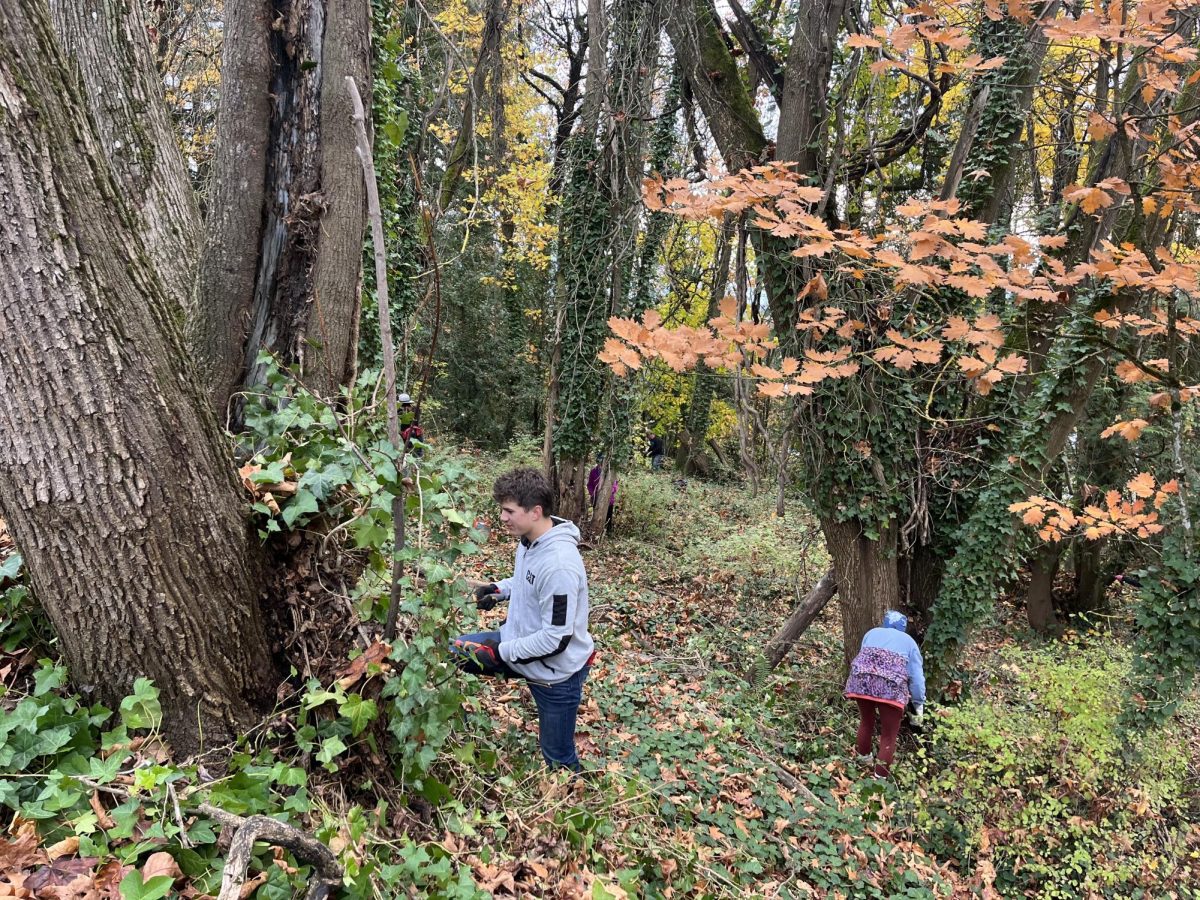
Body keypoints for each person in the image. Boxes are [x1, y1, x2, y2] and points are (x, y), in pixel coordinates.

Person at [452, 468, 595, 771]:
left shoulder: (559, 565)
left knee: (558, 757)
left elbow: (556, 638)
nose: (502, 518)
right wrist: (499, 589)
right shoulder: (530, 539)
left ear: (535, 511)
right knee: (450, 652)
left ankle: (575, 801)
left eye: (509, 511)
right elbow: (527, 581)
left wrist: (499, 651)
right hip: (518, 644)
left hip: (555, 675)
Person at [843, 610, 926, 778]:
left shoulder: (871, 634)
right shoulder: (909, 642)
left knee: (866, 722)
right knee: (888, 735)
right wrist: (918, 703)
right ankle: (879, 779)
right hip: (891, 689)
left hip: (861, 683)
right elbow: (916, 677)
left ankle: (863, 760)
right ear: (903, 627)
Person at [586, 460, 618, 534]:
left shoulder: (610, 471)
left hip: (608, 499)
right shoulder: (593, 471)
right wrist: (593, 493)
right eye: (600, 462)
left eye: (603, 461)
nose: (601, 463)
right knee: (597, 516)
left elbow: (615, 485)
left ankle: (608, 532)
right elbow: (589, 485)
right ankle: (596, 532)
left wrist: (610, 491)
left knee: (608, 517)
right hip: (596, 498)